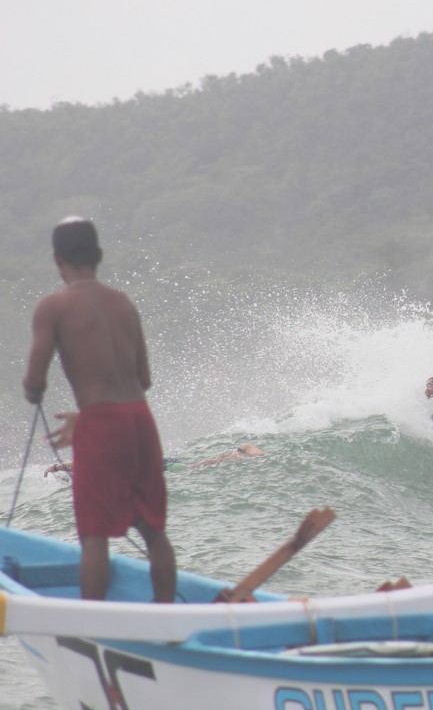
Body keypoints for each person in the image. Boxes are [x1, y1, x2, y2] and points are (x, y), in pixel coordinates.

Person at [22, 217, 177, 603]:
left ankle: (93, 619)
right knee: (154, 531)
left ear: (58, 260)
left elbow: (34, 384)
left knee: (93, 537)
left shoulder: (53, 307)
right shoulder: (124, 303)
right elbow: (142, 378)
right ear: (99, 256)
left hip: (102, 423)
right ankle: (167, 620)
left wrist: (84, 413)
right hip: (140, 418)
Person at [44, 443, 264, 476]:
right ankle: (240, 452)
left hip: (163, 465)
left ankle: (241, 452)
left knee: (196, 467)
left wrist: (55, 467)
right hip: (162, 461)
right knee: (199, 464)